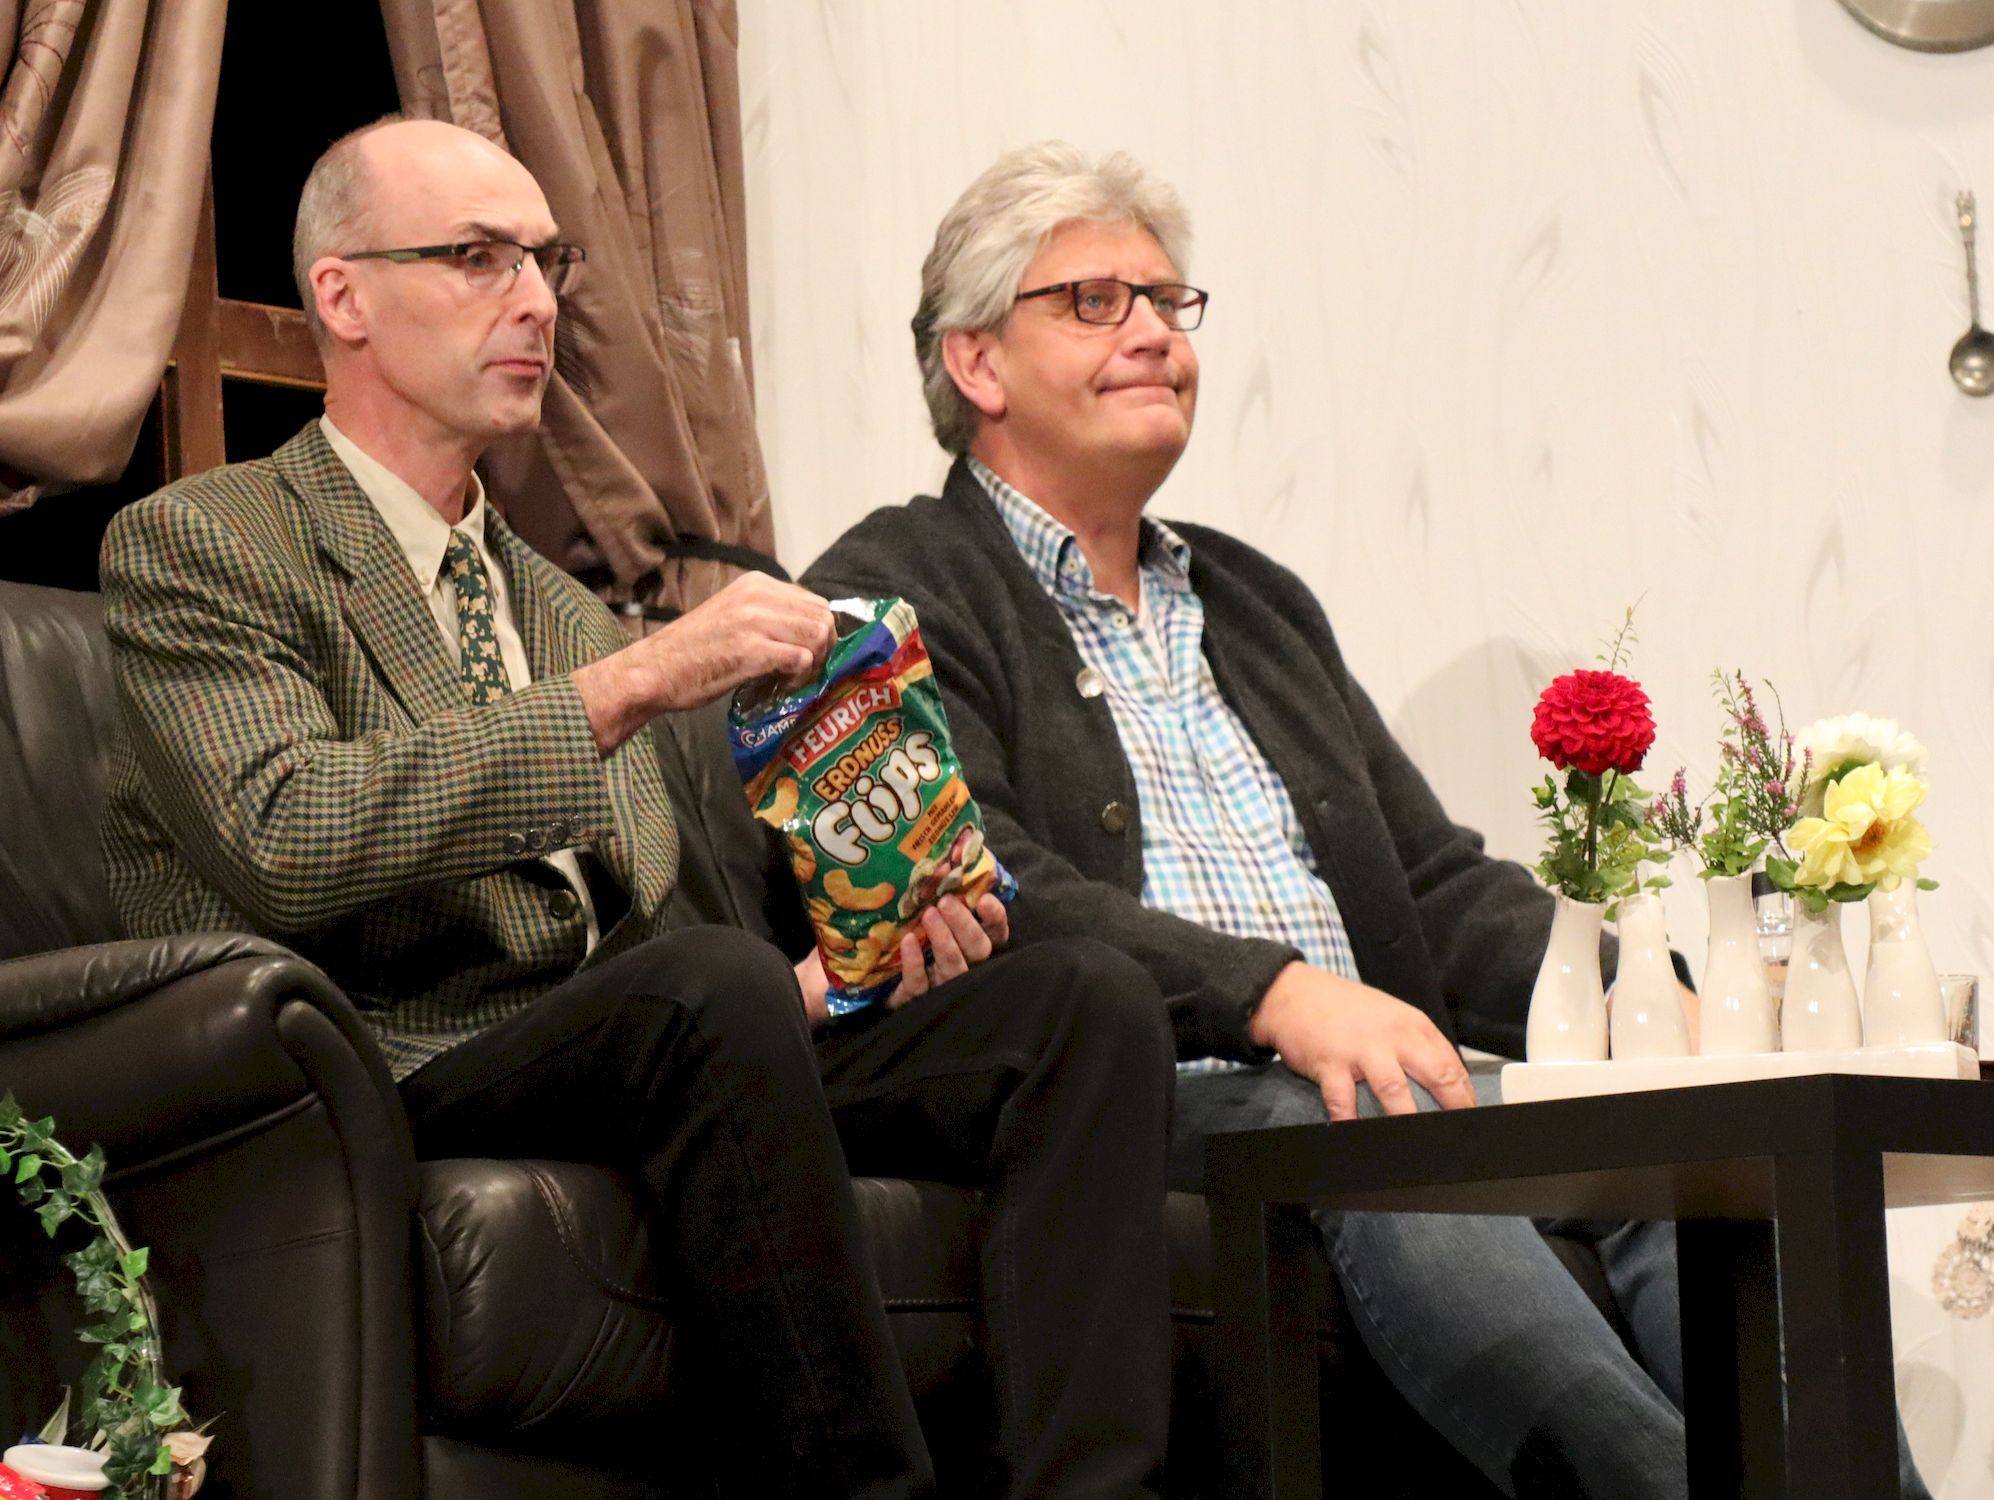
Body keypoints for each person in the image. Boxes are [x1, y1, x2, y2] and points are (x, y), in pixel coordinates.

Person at [803, 141, 1932, 1498]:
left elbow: (1434, 886)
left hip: (1366, 1064)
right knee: (1368, 1119)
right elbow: (979, 874)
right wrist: (1273, 995)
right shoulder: (892, 588)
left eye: (1168, 301)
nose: (1154, 333)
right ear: (976, 362)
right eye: (1095, 301)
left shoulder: (1252, 600)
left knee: (1670, 1130)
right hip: (1146, 1094)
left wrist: (1652, 1002)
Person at [99, 119, 1173, 1500]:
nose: (535, 301)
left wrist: (822, 984)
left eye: (546, 263)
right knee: (706, 984)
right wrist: (633, 683)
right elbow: (285, 830)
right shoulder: (206, 539)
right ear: (343, 297)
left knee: (1080, 1000)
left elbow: (644, 945)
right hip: (377, 1056)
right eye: (478, 258)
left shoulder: (555, 604)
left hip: (618, 1041)